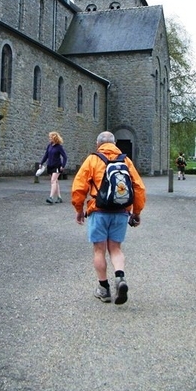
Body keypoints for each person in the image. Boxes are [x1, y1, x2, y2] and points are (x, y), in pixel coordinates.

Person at [71, 131, 146, 305]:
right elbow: (139, 187)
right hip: (120, 210)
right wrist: (137, 212)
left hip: (99, 210)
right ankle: (120, 277)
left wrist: (79, 209)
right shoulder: (125, 160)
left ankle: (104, 289)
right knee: (116, 249)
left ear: (98, 144)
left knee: (99, 250)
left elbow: (79, 187)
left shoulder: (93, 159)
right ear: (115, 143)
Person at [39, 131, 67, 204]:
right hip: (50, 166)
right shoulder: (49, 146)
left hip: (57, 166)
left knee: (53, 180)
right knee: (56, 181)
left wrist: (63, 166)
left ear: (54, 138)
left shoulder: (59, 147)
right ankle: (59, 197)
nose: (49, 138)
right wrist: (41, 163)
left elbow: (65, 157)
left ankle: (51, 197)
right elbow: (46, 155)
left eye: (50, 137)